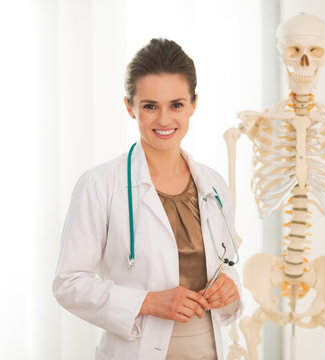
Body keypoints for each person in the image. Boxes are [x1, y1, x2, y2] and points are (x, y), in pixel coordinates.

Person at [53, 38, 243, 360]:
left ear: (194, 104)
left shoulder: (213, 184)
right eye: (150, 106)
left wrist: (231, 286)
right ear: (130, 106)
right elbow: (68, 284)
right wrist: (149, 302)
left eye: (177, 105)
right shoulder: (101, 184)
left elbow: (227, 264)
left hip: (208, 350)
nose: (165, 119)